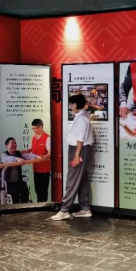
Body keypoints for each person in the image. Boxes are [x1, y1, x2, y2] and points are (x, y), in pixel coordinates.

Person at [52, 93, 94, 221]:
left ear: (75, 104)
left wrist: (76, 155)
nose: (70, 106)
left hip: (79, 149)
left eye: (71, 104)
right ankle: (85, 208)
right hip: (79, 149)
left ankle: (64, 210)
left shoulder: (82, 119)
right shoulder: (82, 116)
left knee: (72, 178)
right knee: (81, 179)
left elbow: (80, 138)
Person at [0, 137, 43, 204]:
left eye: (15, 143)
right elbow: (5, 159)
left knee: (25, 190)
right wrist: (16, 159)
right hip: (8, 183)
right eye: (12, 143)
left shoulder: (18, 153)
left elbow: (28, 156)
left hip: (18, 181)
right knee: (14, 193)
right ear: (7, 146)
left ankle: (24, 207)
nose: (14, 145)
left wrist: (38, 157)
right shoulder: (4, 155)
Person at [21, 119, 52, 203]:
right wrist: (22, 152)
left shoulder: (47, 138)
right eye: (32, 128)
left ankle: (43, 208)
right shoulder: (34, 138)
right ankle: (39, 206)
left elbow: (50, 153)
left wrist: (45, 156)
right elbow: (30, 150)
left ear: (40, 127)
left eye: (35, 128)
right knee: (37, 189)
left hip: (44, 170)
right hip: (36, 169)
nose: (34, 130)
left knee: (43, 191)